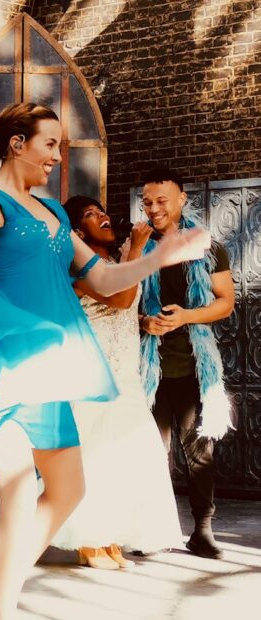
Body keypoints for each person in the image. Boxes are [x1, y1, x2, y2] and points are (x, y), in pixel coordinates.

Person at [0, 103, 210, 620]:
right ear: (17, 144)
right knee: (16, 497)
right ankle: (4, 608)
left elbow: (101, 280)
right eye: (50, 144)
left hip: (46, 373)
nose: (57, 155)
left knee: (69, 489)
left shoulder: (53, 213)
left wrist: (158, 258)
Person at [49, 196, 181, 569]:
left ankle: (110, 535)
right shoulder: (78, 267)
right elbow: (120, 297)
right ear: (76, 232)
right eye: (91, 215)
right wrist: (137, 248)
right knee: (94, 455)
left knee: (130, 454)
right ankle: (88, 541)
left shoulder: (111, 263)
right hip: (91, 373)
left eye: (102, 211)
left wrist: (144, 323)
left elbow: (125, 312)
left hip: (126, 372)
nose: (103, 217)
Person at [138, 168, 235, 560]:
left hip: (194, 366)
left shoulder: (207, 246)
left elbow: (225, 302)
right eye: (147, 202)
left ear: (181, 199)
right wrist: (144, 321)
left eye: (162, 200)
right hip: (147, 367)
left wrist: (185, 317)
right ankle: (149, 528)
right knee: (149, 452)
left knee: (200, 454)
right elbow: (119, 300)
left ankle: (202, 530)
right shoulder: (137, 244)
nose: (154, 208)